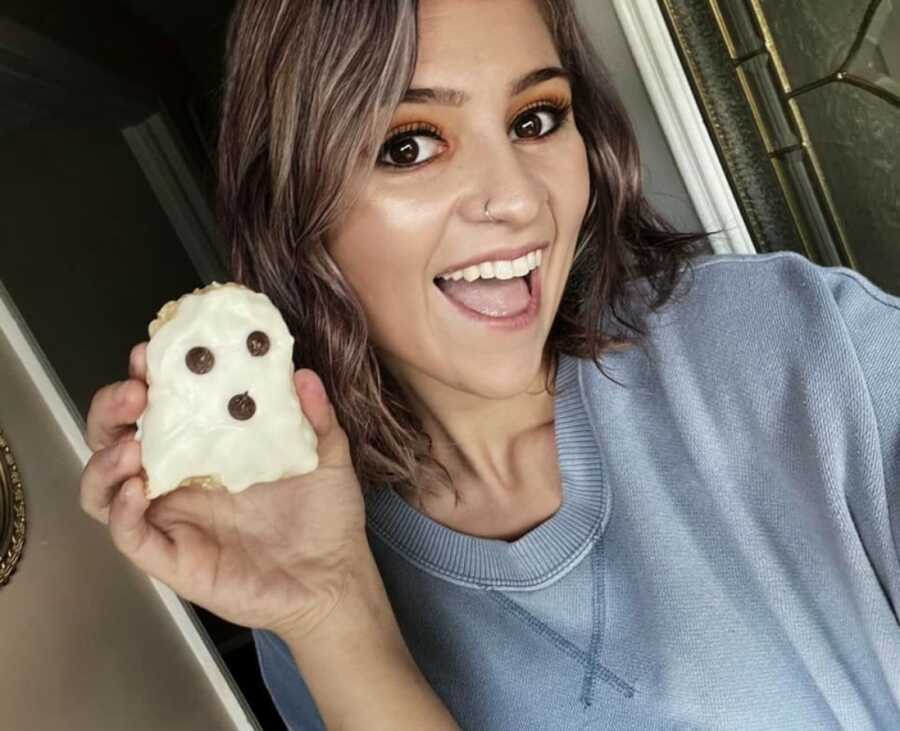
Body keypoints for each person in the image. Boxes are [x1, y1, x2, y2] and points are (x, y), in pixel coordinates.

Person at [79, 0, 900, 728]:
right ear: (297, 203)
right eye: (409, 144)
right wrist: (334, 618)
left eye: (536, 119)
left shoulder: (790, 344)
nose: (516, 198)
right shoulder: (299, 590)